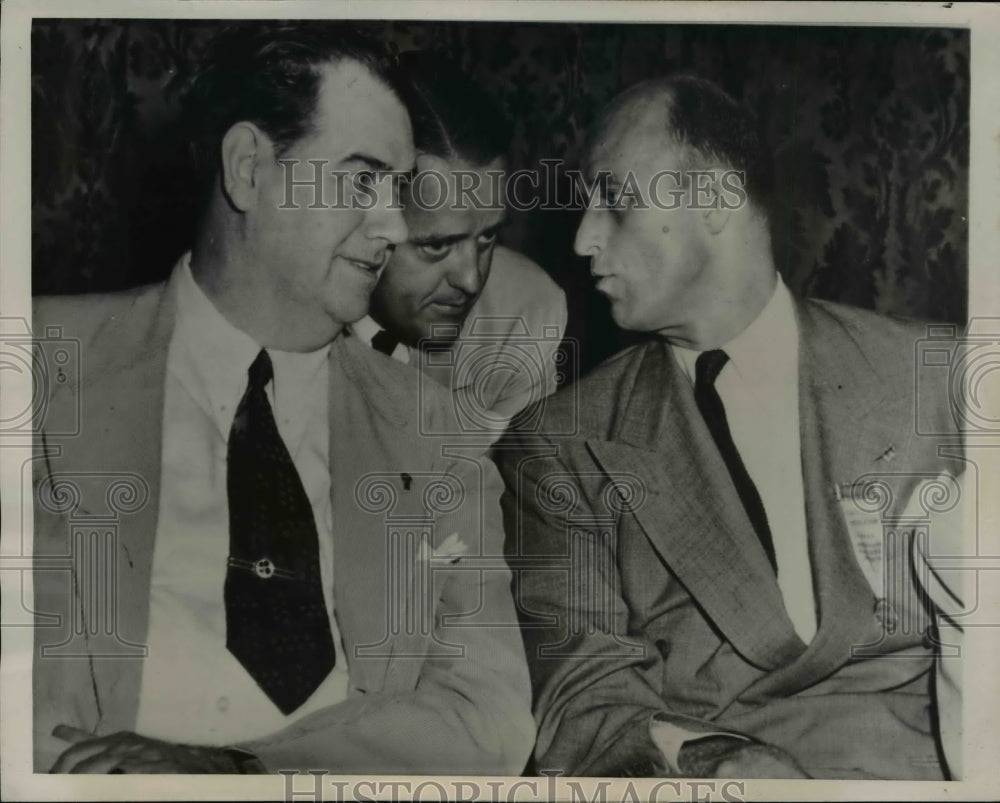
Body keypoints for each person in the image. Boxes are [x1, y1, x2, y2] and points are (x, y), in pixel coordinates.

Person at [32, 22, 532, 775]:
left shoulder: (439, 434)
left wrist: (239, 774)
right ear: (247, 168)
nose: (393, 226)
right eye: (363, 181)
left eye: (396, 192)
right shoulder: (37, 368)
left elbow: (488, 717)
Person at [495, 75, 964, 779]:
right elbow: (583, 696)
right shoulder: (560, 446)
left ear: (713, 198)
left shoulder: (944, 379)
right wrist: (714, 766)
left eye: (614, 202)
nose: (585, 238)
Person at [351, 50, 567, 441]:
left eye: (487, 237)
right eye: (436, 246)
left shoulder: (525, 310)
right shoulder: (289, 313)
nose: (471, 279)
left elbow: (512, 486)